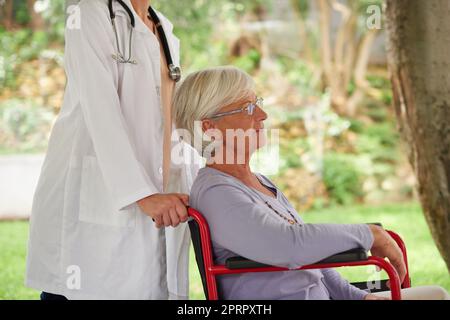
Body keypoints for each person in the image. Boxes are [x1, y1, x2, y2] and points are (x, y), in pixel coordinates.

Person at [172, 66, 450, 300]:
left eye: (258, 102)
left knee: (436, 294)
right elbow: (288, 247)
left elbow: (313, 260)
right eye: (247, 107)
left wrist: (361, 297)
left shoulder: (261, 183)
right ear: (208, 127)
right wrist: (369, 234)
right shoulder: (216, 192)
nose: (262, 115)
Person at [26, 0, 199, 300]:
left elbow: (167, 122)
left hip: (154, 199)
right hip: (97, 197)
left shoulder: (163, 29)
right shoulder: (90, 14)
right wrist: (141, 194)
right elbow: (100, 109)